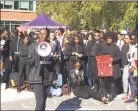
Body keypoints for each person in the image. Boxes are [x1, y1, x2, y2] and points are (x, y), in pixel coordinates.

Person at [27, 28, 57, 110]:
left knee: (43, 102)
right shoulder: (34, 45)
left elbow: (54, 63)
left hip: (48, 77)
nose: (43, 35)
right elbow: (29, 62)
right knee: (39, 102)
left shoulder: (51, 45)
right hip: (37, 77)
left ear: (47, 35)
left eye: (45, 33)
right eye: (41, 33)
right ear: (39, 34)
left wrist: (55, 58)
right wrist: (38, 55)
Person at [125, 33, 138, 103]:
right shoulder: (131, 46)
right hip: (130, 65)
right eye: (131, 39)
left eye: (134, 39)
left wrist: (133, 66)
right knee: (132, 82)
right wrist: (128, 56)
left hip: (135, 67)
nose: (132, 40)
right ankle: (132, 97)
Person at [121, 34, 131, 99]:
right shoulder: (123, 46)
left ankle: (126, 93)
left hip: (128, 65)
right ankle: (128, 92)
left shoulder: (131, 46)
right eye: (125, 38)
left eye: (127, 38)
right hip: (123, 65)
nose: (126, 39)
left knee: (125, 78)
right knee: (126, 79)